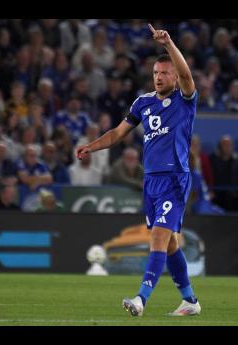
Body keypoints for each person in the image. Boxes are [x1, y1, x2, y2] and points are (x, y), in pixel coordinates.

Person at [75, 24, 200, 317]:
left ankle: (141, 298)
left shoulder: (185, 100)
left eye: (164, 73)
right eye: (156, 73)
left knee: (158, 238)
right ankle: (190, 301)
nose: (159, 77)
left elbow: (186, 76)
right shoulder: (142, 103)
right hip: (150, 181)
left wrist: (169, 44)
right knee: (169, 244)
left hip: (174, 179)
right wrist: (90, 147)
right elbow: (118, 134)